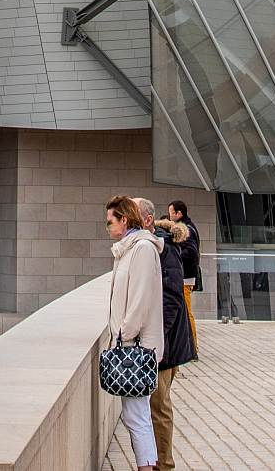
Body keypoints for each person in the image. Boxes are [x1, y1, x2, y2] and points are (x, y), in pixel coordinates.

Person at [104, 195, 162, 471]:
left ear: (124, 220)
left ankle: (147, 467)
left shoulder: (142, 249)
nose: (108, 228)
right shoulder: (130, 248)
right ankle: (147, 466)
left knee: (136, 417)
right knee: (137, 416)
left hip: (136, 348)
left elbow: (140, 300)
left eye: (110, 222)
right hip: (132, 345)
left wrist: (123, 337)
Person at [141, 200, 198, 471]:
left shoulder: (165, 249)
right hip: (162, 343)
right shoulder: (153, 246)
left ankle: (164, 465)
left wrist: (155, 338)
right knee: (154, 406)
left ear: (148, 221)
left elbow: (173, 298)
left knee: (159, 406)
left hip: (165, 345)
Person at [166, 200, 201, 351]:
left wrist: (175, 256)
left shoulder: (185, 228)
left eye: (171, 213)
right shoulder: (187, 226)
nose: (170, 216)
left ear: (178, 214)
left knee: (187, 312)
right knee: (185, 311)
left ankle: (193, 347)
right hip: (186, 275)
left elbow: (192, 252)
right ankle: (190, 346)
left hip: (186, 276)